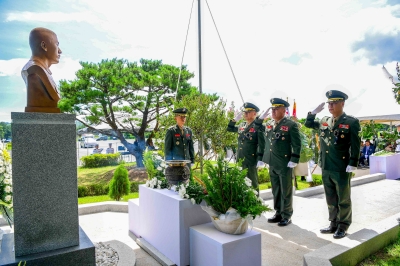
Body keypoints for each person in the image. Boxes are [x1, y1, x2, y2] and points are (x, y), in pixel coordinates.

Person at [305, 89, 361, 239]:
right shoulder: (324, 120)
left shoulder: (351, 122)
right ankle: (333, 223)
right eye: (329, 103)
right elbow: (308, 124)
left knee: (343, 198)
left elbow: (356, 144)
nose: (331, 106)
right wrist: (312, 113)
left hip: (341, 166)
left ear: (342, 103)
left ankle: (343, 225)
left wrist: (353, 162)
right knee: (330, 197)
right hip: (327, 165)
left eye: (334, 103)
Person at [262, 98, 301, 226]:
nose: (273, 111)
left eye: (276, 108)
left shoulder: (290, 125)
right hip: (273, 162)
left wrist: (294, 159)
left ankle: (287, 215)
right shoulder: (270, 124)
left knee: (286, 190)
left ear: (284, 110)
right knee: (276, 190)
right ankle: (278, 212)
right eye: (272, 108)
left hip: (285, 163)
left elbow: (297, 143)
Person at [21, 27, 62, 113]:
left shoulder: (44, 71)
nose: (60, 51)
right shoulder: (34, 70)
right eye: (57, 44)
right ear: (44, 46)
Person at [227, 102, 265, 192]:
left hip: (250, 159)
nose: (245, 114)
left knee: (252, 183)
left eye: (248, 112)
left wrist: (260, 158)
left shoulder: (258, 126)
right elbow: (229, 129)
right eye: (245, 112)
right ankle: (245, 204)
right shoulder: (242, 125)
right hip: (240, 158)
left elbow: (261, 143)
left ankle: (256, 203)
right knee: (242, 183)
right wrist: (234, 120)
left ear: (255, 113)